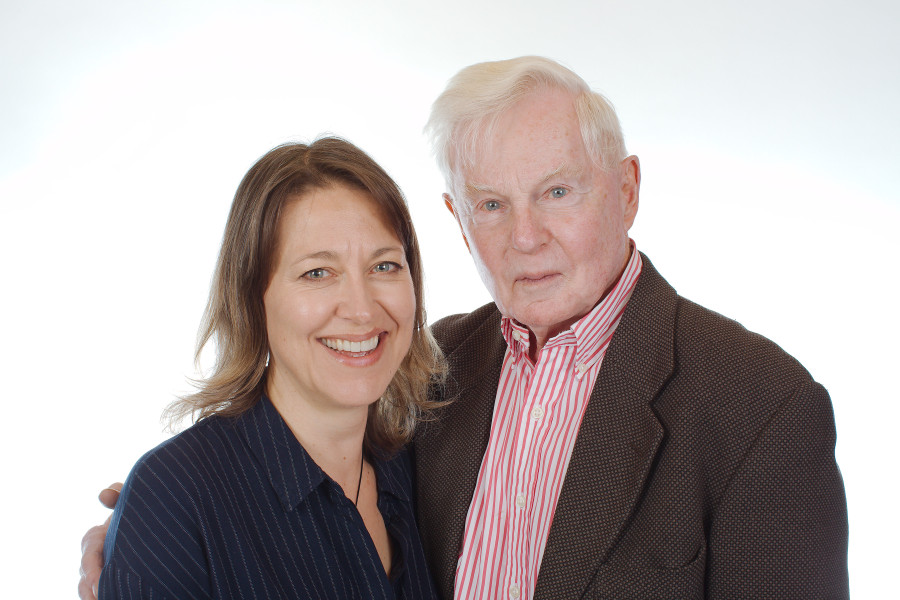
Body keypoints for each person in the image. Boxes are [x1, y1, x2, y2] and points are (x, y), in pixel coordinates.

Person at [81, 56, 849, 600]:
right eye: (490, 203)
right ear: (456, 219)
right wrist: (140, 537)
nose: (525, 236)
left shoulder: (762, 411)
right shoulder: (435, 369)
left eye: (557, 191)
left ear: (627, 188)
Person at [92, 137, 444, 599]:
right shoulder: (177, 497)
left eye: (384, 265)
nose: (362, 310)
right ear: (252, 299)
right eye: (317, 273)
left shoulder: (419, 468)